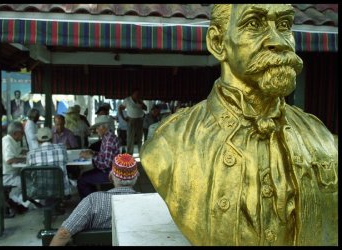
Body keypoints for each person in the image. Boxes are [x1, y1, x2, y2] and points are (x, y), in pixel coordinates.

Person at [140, 4, 337, 246]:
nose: (279, 41)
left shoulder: (321, 137)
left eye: (284, 25)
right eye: (254, 23)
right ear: (218, 43)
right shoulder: (171, 143)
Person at [49, 153, 139, 246]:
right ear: (136, 176)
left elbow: (63, 234)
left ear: (111, 175)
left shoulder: (93, 200)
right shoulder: (147, 202)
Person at [77, 115, 120, 199]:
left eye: (97, 128)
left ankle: (91, 202)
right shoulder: (107, 137)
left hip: (109, 172)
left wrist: (92, 156)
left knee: (82, 180)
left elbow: (106, 163)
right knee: (84, 176)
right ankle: (94, 198)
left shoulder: (109, 140)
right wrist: (93, 152)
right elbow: (104, 155)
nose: (96, 130)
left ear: (104, 127)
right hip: (108, 170)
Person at [27, 127, 75, 196]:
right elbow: (66, 160)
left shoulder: (31, 154)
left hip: (39, 191)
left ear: (38, 140)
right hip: (61, 190)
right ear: (52, 138)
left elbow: (28, 170)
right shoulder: (62, 148)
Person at [2, 121, 29, 213]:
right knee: (27, 183)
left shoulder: (12, 140)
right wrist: (24, 160)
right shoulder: (7, 142)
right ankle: (15, 202)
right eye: (21, 133)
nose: (22, 135)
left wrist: (27, 152)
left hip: (11, 173)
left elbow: (19, 151)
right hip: (7, 176)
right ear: (15, 133)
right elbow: (9, 159)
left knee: (29, 178)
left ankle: (17, 202)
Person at [119, 89, 147, 155]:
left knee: (140, 138)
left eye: (138, 94)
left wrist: (141, 105)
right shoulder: (127, 100)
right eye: (136, 94)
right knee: (130, 138)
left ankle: (141, 153)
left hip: (140, 120)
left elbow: (146, 108)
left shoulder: (140, 100)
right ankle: (129, 154)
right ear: (132, 94)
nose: (137, 95)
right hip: (131, 120)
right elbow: (120, 108)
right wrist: (123, 118)